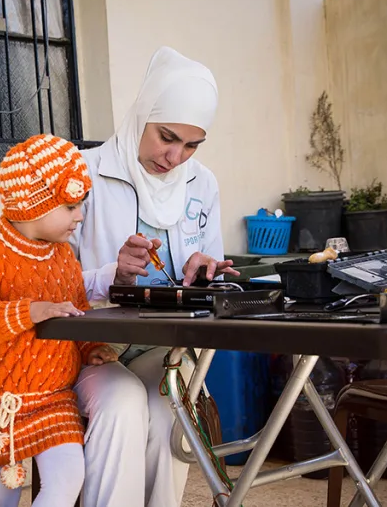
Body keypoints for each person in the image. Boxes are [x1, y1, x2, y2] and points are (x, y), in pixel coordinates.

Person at [69, 47, 240, 507]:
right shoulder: (84, 174)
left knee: (170, 409)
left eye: (190, 145)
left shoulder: (201, 183)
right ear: (143, 112)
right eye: (167, 137)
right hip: (90, 349)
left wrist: (203, 273)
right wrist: (112, 273)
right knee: (123, 405)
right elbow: (46, 282)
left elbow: (211, 282)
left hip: (168, 345)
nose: (175, 155)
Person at [0, 134, 122, 507]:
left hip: (54, 399)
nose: (79, 216)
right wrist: (30, 311)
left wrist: (90, 346)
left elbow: (78, 309)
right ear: (32, 204)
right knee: (0, 499)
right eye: (71, 206)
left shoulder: (64, 259)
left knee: (67, 480)